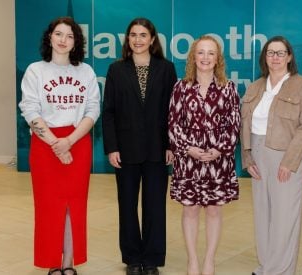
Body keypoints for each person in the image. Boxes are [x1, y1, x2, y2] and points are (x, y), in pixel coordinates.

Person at [19, 16, 100, 275]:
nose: (63, 40)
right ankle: (52, 262)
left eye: (70, 36)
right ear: (50, 37)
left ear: (76, 42)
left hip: (77, 141)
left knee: (74, 206)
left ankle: (68, 264)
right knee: (48, 207)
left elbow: (92, 110)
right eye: (58, 34)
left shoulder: (85, 72)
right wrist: (55, 143)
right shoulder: (35, 70)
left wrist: (69, 141)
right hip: (45, 145)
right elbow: (29, 109)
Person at [102, 18, 177, 275]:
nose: (137, 39)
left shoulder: (166, 69)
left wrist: (171, 144)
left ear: (153, 39)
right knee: (127, 205)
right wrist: (111, 147)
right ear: (128, 39)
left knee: (155, 206)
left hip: (158, 149)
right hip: (125, 149)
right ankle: (133, 258)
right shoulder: (116, 69)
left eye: (143, 35)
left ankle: (153, 258)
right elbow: (109, 112)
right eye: (133, 35)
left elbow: (172, 111)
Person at [240, 36, 302, 275]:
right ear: (265, 57)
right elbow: (244, 124)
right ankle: (266, 266)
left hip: (286, 156)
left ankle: (280, 271)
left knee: (284, 217)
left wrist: (289, 162)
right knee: (263, 214)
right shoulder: (255, 86)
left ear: (289, 57)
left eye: (280, 53)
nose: (275, 57)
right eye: (270, 53)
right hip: (258, 155)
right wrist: (247, 157)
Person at [168, 35, 240, 275]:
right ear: (193, 57)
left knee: (213, 209)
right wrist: (188, 148)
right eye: (201, 52)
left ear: (218, 58)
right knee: (190, 209)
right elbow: (173, 124)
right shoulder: (181, 87)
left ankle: (209, 260)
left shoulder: (228, 88)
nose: (206, 57)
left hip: (218, 160)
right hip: (188, 159)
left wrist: (219, 149)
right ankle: (193, 261)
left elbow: (234, 124)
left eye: (211, 53)